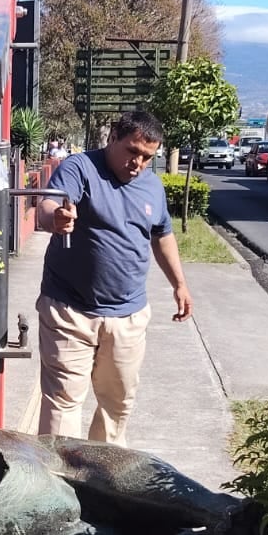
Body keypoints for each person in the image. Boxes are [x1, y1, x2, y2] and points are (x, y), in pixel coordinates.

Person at [36, 107, 193, 447]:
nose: (138, 163)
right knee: (63, 401)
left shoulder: (152, 186)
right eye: (132, 151)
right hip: (69, 311)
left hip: (128, 317)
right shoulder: (80, 168)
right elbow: (47, 206)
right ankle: (57, 483)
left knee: (117, 404)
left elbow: (162, 235)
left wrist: (179, 283)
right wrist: (56, 219)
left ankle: (103, 482)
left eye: (147, 157)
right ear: (112, 139)